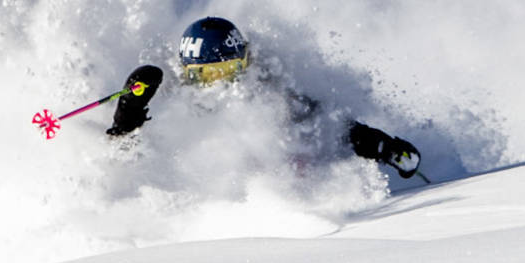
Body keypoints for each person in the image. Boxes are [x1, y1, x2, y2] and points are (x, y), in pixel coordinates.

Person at [106, 17, 424, 179]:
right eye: (208, 75)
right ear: (188, 73)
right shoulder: (174, 102)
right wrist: (128, 113)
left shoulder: (272, 96)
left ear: (246, 63)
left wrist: (385, 148)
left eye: (230, 69)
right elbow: (129, 162)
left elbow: (338, 130)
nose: (222, 84)